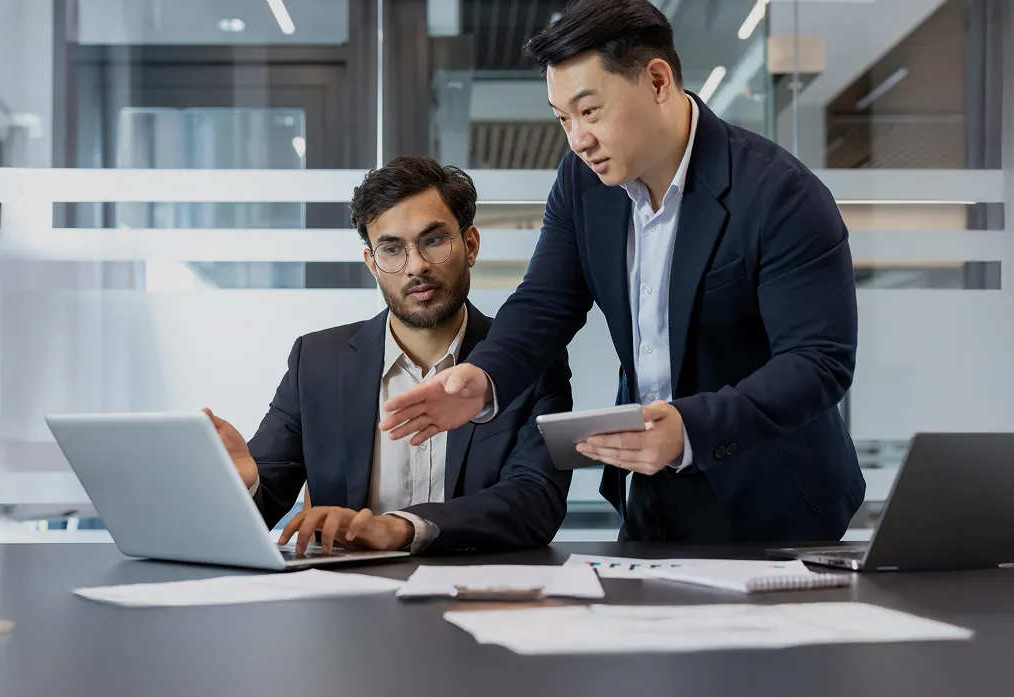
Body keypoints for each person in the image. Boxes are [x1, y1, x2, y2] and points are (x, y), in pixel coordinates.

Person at [380, 0, 865, 545]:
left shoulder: (780, 193)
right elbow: (547, 300)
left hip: (775, 494)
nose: (577, 139)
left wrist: (691, 428)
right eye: (562, 118)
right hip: (650, 493)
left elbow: (817, 362)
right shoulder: (583, 183)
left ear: (658, 81)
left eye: (590, 111)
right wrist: (483, 376)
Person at [205, 156, 573, 556]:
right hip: (349, 598)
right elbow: (262, 504)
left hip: (477, 596)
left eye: (433, 240)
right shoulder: (316, 362)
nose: (415, 266)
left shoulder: (528, 358)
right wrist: (245, 487)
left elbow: (536, 502)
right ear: (372, 265)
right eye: (392, 249)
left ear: (470, 246)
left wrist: (401, 529)